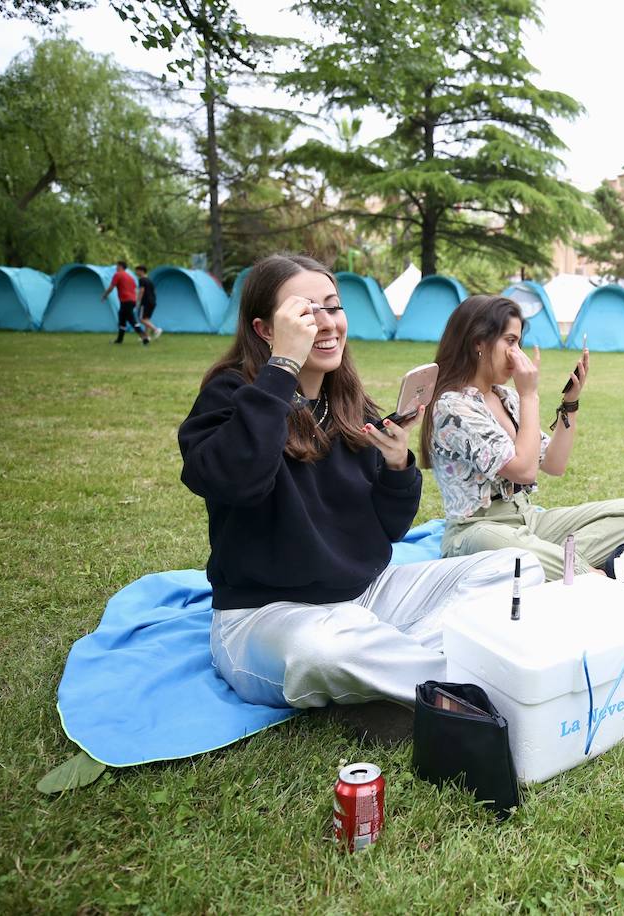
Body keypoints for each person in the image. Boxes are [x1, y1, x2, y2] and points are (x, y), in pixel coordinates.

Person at [179, 254, 535, 709]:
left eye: (333, 306)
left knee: (514, 567)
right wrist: (282, 366)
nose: (326, 324)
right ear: (266, 329)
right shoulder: (231, 395)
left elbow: (388, 530)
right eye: (304, 312)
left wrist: (396, 469)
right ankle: (469, 683)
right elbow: (236, 480)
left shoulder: (348, 406)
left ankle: (394, 665)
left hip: (365, 596)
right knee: (324, 650)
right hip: (268, 615)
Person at [422, 294, 624, 579]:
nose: (518, 353)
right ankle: (583, 573)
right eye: (510, 341)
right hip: (476, 532)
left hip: (527, 521)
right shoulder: (452, 407)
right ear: (478, 342)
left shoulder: (505, 397)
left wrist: (570, 403)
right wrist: (529, 394)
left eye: (519, 342)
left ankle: (551, 562)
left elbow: (554, 464)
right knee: (502, 543)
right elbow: (524, 472)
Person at [105, 260, 148, 345]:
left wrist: (105, 295)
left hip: (126, 301)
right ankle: (119, 340)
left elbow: (111, 287)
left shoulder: (118, 275)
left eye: (117, 266)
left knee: (132, 320)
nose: (116, 268)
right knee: (122, 318)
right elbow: (134, 289)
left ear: (120, 266)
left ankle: (144, 337)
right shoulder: (130, 277)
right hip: (131, 301)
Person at [135, 264, 162, 340]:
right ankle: (146, 337)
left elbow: (141, 291)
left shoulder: (142, 280)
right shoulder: (149, 280)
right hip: (152, 302)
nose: (136, 272)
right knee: (146, 319)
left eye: (137, 271)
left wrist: (138, 302)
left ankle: (156, 330)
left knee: (141, 319)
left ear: (141, 271)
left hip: (145, 302)